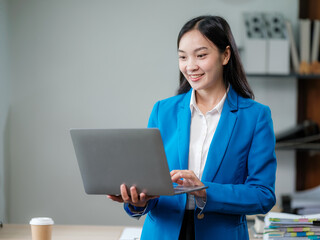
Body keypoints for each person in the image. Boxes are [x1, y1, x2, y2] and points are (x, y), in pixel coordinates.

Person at [108, 15, 277, 240]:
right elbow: (149, 183)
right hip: (162, 233)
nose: (190, 66)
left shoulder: (255, 116)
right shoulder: (162, 111)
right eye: (182, 57)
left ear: (225, 55)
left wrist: (204, 190)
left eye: (201, 55)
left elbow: (263, 195)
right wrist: (137, 201)